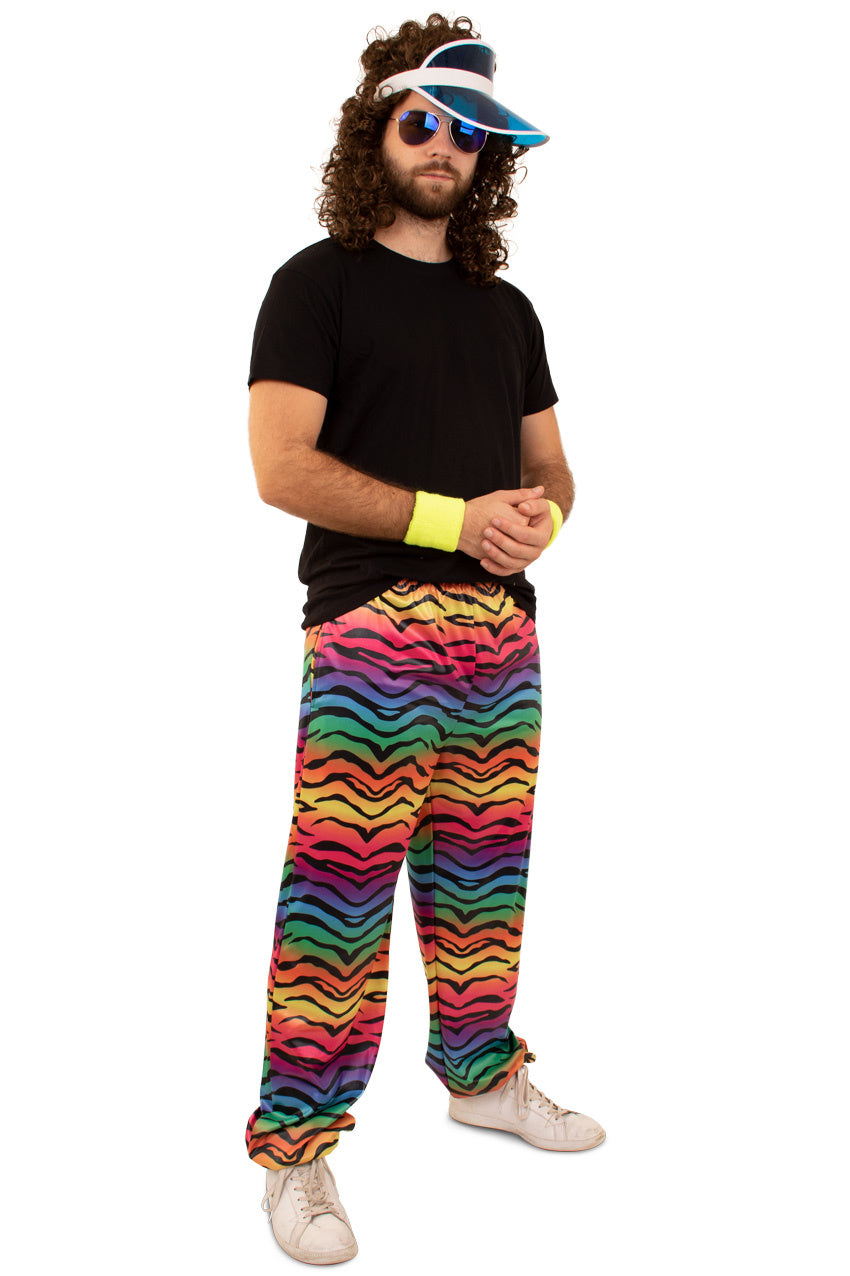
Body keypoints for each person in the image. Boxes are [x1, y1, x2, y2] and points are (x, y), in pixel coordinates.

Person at [244, 13, 605, 1265]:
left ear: (486, 158)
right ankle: (296, 1151)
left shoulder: (506, 309)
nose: (443, 145)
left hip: (499, 633)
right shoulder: (316, 285)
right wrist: (456, 521)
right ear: (377, 132)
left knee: (484, 876)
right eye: (421, 122)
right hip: (370, 630)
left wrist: (536, 523)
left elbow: (552, 467)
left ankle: (481, 1073)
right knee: (338, 895)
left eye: (467, 132)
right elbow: (281, 467)